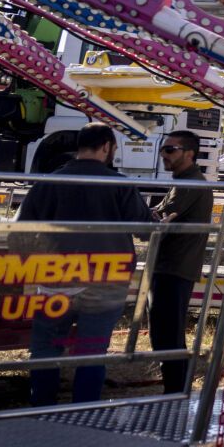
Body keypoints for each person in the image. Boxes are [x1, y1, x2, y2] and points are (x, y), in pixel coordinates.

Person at [18, 123, 153, 406]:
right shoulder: (119, 184)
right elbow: (144, 229)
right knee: (92, 351)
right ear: (106, 147)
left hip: (55, 278)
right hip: (106, 280)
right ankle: (85, 412)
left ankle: (40, 408)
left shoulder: (50, 181)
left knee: (45, 349)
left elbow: (21, 232)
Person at [149, 130, 210, 396]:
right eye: (163, 149)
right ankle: (174, 389)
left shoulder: (191, 183)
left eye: (170, 149)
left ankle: (176, 392)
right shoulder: (183, 181)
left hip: (175, 268)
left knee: (168, 333)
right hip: (170, 265)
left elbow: (161, 218)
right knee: (163, 332)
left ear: (189, 153)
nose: (164, 154)